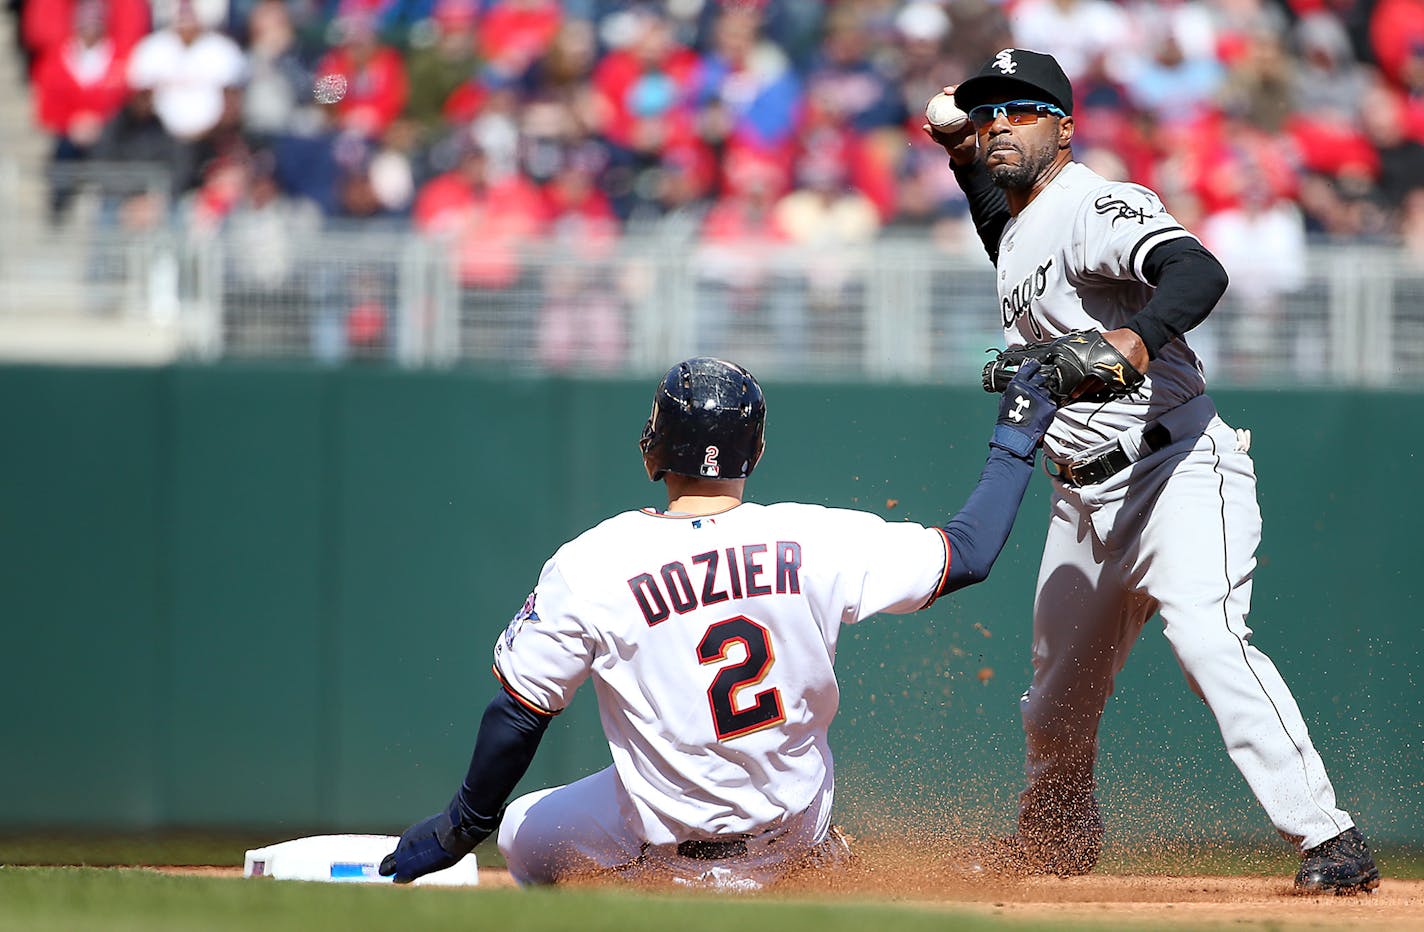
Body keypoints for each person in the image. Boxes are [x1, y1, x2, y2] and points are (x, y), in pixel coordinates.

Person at [924, 48, 1379, 894]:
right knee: (1054, 701)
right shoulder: (1023, 224)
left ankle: (1331, 838)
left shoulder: (1094, 200)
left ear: (1063, 125)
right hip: (1083, 497)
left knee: (1207, 638)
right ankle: (1056, 840)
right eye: (989, 115)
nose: (998, 127)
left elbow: (1198, 269)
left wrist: (1139, 338)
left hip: (1174, 468)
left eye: (1019, 111)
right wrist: (956, 146)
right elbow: (1003, 224)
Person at [380, 355, 1058, 889]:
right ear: (753, 452)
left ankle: (639, 891)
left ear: (655, 446)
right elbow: (968, 554)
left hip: (669, 846)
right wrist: (1015, 436)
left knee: (521, 832)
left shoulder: (593, 561)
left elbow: (520, 713)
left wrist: (460, 825)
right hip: (793, 831)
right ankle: (811, 858)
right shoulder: (813, 537)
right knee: (790, 806)